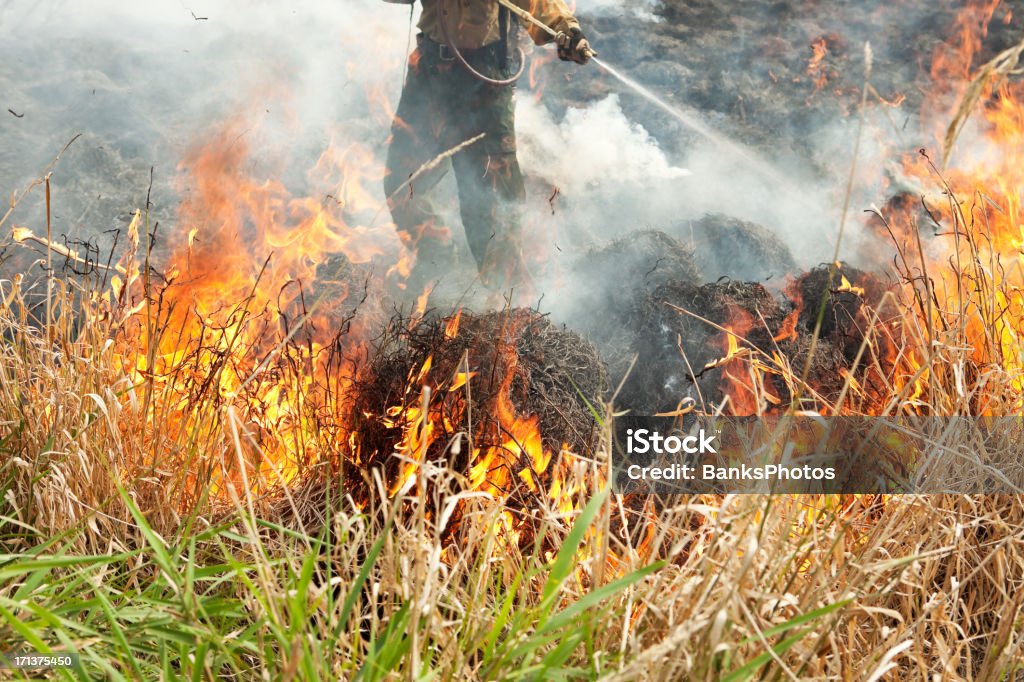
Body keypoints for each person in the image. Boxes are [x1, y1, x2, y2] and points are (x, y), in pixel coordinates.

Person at [383, 0, 592, 298]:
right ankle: (438, 262)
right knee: (402, 181)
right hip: (430, 74)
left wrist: (567, 30)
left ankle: (508, 308)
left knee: (492, 203)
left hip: (485, 79)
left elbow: (540, 4)